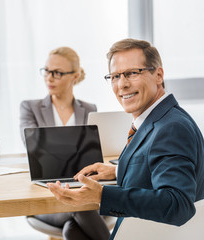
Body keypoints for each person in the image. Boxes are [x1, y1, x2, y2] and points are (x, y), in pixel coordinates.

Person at [47, 38, 204, 240]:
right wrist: (118, 169)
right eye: (115, 76)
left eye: (132, 73)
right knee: (73, 231)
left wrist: (102, 196)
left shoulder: (171, 128)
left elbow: (176, 205)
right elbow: (158, 161)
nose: (122, 84)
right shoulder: (160, 119)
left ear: (158, 75)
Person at [20, 47, 110, 240]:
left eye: (57, 73)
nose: (49, 78)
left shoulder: (89, 109)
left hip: (83, 188)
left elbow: (91, 153)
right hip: (47, 196)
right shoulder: (30, 108)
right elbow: (33, 148)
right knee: (80, 208)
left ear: (74, 76)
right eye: (47, 71)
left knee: (72, 229)